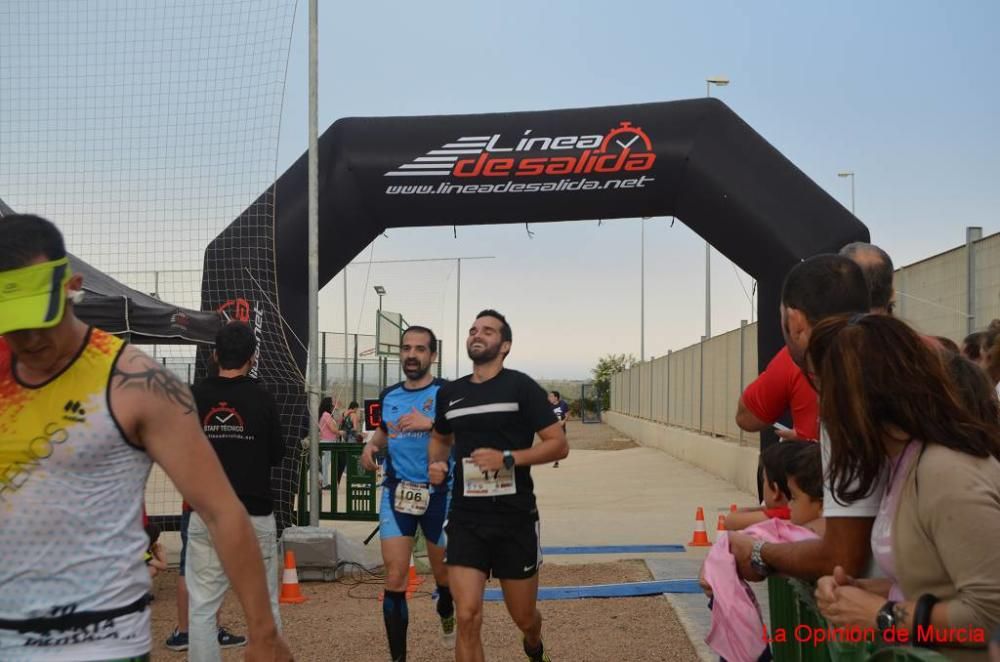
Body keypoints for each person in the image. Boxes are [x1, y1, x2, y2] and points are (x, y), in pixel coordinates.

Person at [0, 214, 291, 661]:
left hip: (101, 643)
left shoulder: (138, 383)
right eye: (13, 322)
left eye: (42, 316)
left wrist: (264, 633)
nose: (30, 337)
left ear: (72, 287)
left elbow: (221, 510)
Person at [810, 314, 1000, 654]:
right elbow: (940, 584)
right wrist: (860, 595)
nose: (824, 412)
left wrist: (882, 616)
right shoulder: (907, 463)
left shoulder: (945, 471)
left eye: (829, 391)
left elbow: (990, 617)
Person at [428, 310, 569, 662]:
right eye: (473, 329)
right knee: (467, 615)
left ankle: (534, 644)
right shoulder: (451, 393)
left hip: (514, 518)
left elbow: (558, 444)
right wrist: (437, 462)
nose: (477, 334)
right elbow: (440, 437)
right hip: (466, 518)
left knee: (523, 616)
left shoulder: (520, 387)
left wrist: (508, 458)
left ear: (504, 345)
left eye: (488, 331)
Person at [728, 254, 873, 582]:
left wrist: (757, 551)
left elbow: (841, 558)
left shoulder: (847, 411)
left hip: (908, 620)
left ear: (795, 323)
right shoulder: (914, 361)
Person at [186, 321, 286, 662]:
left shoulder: (194, 396)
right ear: (253, 357)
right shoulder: (262, 398)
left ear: (215, 355)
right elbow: (277, 454)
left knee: (202, 605)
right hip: (254, 513)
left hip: (207, 514)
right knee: (264, 604)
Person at [359, 326, 454, 661]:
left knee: (444, 579)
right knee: (396, 578)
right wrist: (370, 447)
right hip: (397, 494)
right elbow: (384, 430)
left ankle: (447, 610)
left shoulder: (447, 393)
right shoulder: (389, 396)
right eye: (406, 348)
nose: (412, 355)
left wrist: (430, 424)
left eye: (420, 349)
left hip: (440, 495)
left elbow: (466, 434)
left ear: (433, 355)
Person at [724, 440, 805, 531]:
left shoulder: (783, 514)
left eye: (764, 480)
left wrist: (765, 508)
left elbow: (731, 520)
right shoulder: (809, 512)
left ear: (775, 490)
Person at [318, 396, 340, 488]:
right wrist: (340, 432)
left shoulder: (325, 415)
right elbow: (332, 428)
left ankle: (324, 482)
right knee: (325, 463)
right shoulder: (326, 415)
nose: (333, 405)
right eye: (332, 403)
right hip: (327, 442)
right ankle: (324, 483)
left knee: (325, 463)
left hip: (328, 441)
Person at [547, 391, 569, 468]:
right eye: (549, 396)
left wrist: (563, 421)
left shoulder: (563, 404)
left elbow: (567, 414)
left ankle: (556, 460)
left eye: (551, 396)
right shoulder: (548, 405)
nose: (549, 398)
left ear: (556, 397)